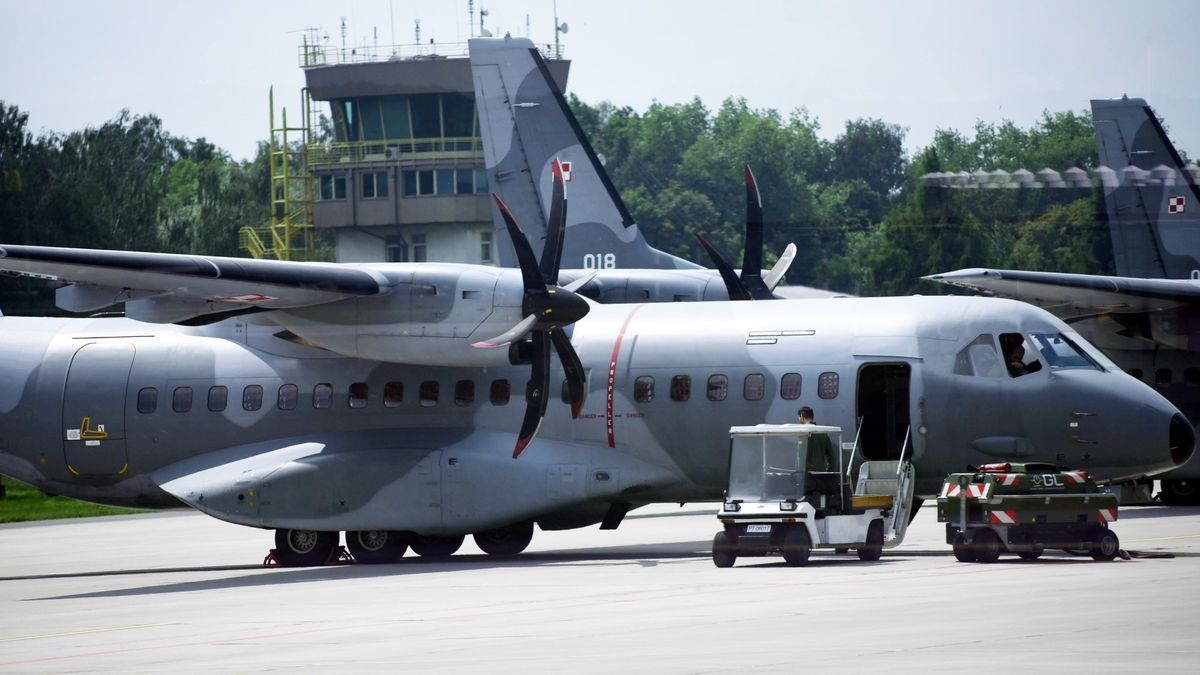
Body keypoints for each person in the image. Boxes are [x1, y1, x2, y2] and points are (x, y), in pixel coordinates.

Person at [797, 406, 837, 473]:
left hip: (805, 476)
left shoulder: (803, 433)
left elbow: (800, 458)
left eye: (799, 417)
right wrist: (829, 473)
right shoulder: (823, 434)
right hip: (821, 474)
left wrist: (798, 475)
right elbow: (831, 457)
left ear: (802, 416)